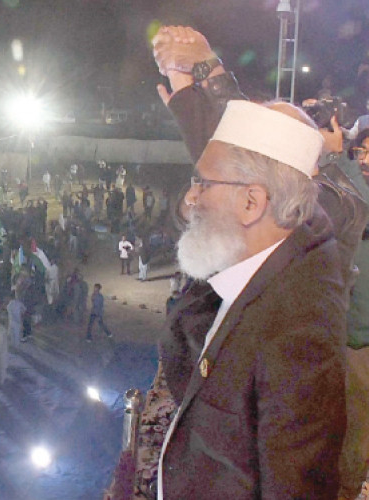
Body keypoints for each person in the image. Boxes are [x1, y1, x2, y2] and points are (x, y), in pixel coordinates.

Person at [147, 28, 348, 499]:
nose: (189, 200)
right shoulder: (273, 240)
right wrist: (197, 92)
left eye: (202, 183)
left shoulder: (297, 336)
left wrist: (208, 73)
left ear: (252, 202)